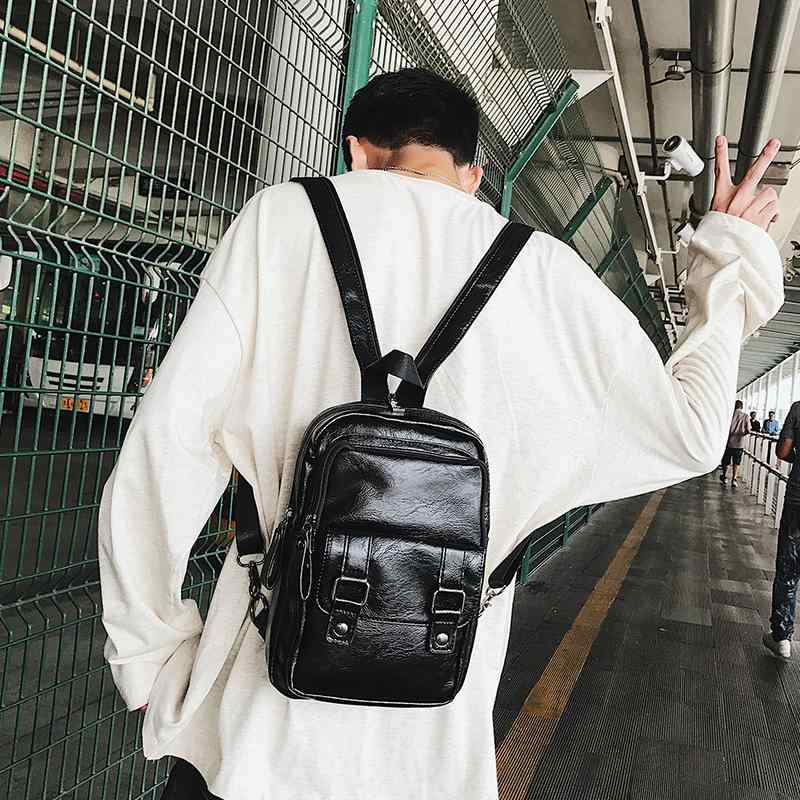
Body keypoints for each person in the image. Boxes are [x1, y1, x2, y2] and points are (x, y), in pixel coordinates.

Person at [97, 69, 784, 800]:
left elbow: (166, 447)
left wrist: (150, 654)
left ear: (357, 152)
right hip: (432, 743)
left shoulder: (282, 220)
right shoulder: (544, 271)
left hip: (254, 730)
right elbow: (694, 432)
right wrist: (725, 270)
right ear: (474, 175)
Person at [767, 400, 800, 659]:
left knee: (788, 568)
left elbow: (782, 451)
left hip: (797, 499)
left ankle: (782, 638)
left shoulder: (798, 409)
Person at [721, 400, 751, 487]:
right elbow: (748, 430)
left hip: (728, 443)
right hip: (739, 444)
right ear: (742, 407)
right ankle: (734, 479)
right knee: (736, 462)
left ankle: (725, 477)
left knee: (726, 461)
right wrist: (742, 434)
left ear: (734, 406)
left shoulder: (729, 415)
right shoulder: (745, 416)